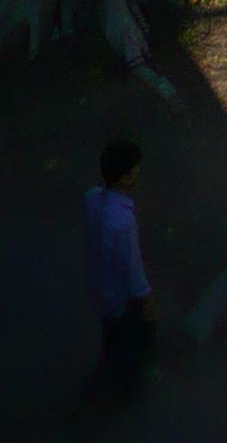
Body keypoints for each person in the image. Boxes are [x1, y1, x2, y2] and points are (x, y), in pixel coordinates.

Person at [82, 137, 156, 395]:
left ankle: (110, 372)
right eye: (135, 170)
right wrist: (146, 302)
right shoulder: (123, 220)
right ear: (125, 177)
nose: (138, 173)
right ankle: (128, 383)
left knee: (111, 337)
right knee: (132, 341)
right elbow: (133, 269)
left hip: (101, 289)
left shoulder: (91, 199)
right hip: (121, 298)